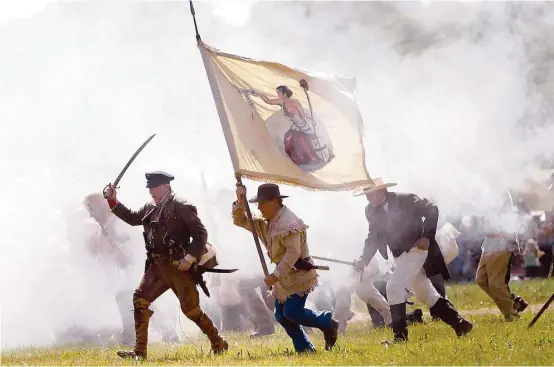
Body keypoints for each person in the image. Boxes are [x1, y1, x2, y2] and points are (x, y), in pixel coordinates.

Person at [103, 171, 228, 360]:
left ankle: (218, 341)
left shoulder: (181, 205)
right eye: (150, 188)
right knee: (140, 299)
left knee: (191, 310)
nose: (151, 191)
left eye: (155, 187)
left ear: (166, 186)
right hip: (157, 266)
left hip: (179, 266)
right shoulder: (150, 206)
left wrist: (190, 257)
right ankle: (140, 352)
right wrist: (113, 201)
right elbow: (133, 218)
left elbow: (201, 234)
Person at [352, 178, 473, 343]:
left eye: (370, 194)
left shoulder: (405, 199)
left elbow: (432, 209)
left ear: (381, 191)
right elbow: (373, 237)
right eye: (366, 195)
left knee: (393, 287)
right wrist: (363, 259)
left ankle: (400, 337)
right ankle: (461, 325)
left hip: (417, 249)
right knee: (426, 294)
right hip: (399, 256)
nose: (367, 198)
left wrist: (426, 236)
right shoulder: (370, 210)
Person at [232, 182, 339, 353]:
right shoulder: (267, 222)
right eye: (257, 203)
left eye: (262, 203)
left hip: (299, 275)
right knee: (281, 315)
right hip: (283, 278)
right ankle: (304, 348)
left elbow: (293, 253)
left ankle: (327, 321)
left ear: (275, 201)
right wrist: (240, 202)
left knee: (292, 312)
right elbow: (240, 220)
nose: (258, 207)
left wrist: (274, 276)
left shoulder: (289, 223)